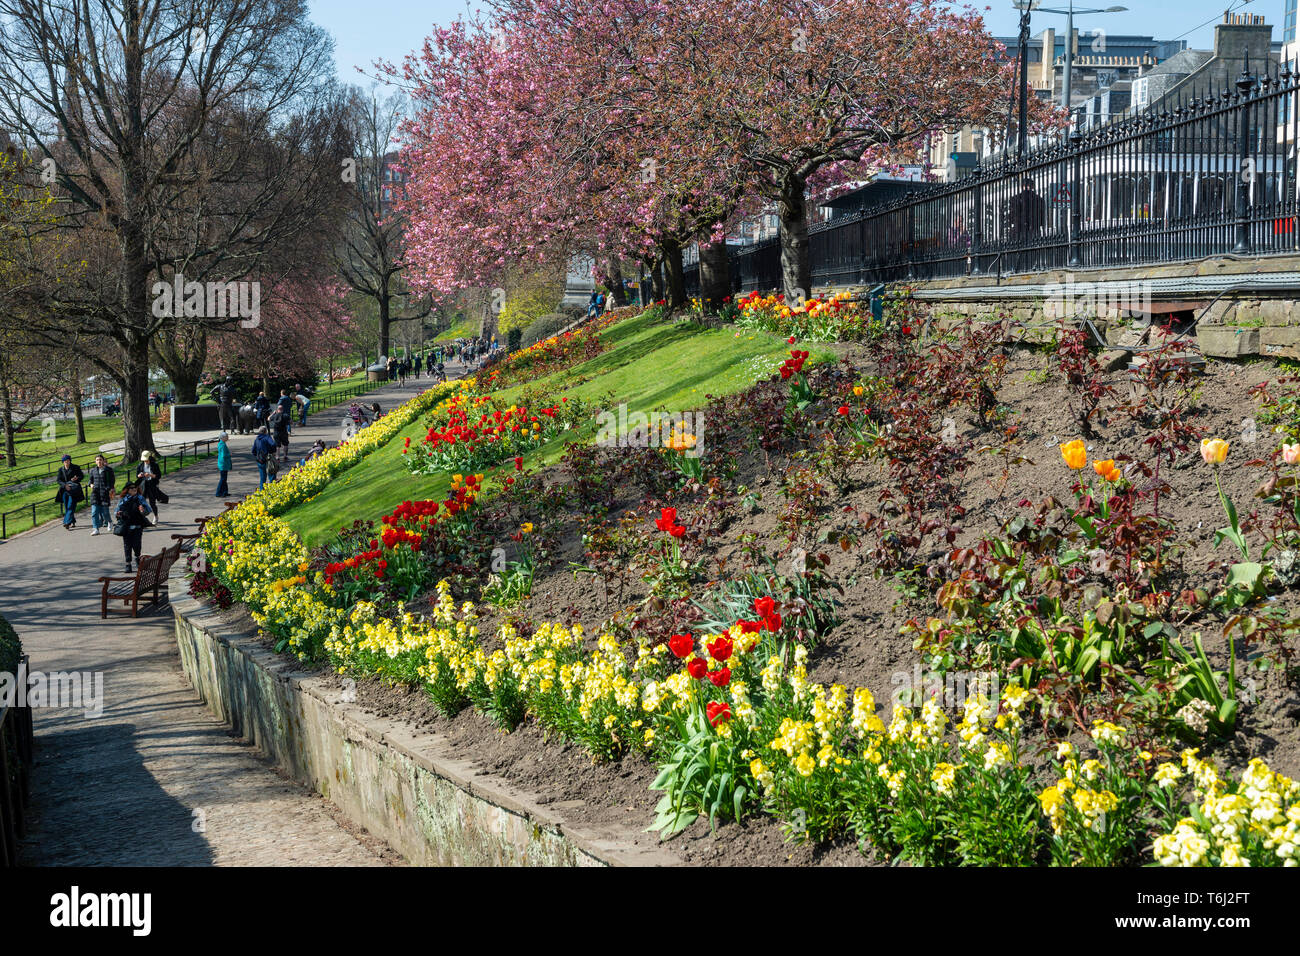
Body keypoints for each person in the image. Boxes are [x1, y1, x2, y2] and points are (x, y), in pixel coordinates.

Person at [114, 481, 152, 573]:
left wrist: (143, 510)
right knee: (127, 545)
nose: (134, 489)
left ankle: (138, 559)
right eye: (131, 488)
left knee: (137, 545)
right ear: (127, 490)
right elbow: (116, 512)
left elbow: (148, 510)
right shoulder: (123, 499)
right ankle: (128, 564)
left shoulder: (140, 498)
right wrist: (118, 514)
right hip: (126, 526)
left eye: (135, 488)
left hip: (137, 525)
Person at [1009, 178, 1045, 271]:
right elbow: (1042, 215)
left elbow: (1012, 215)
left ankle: (1018, 268)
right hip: (1034, 227)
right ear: (1033, 187)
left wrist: (1012, 225)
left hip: (1019, 228)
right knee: (1032, 248)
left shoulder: (1015, 198)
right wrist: (1040, 225)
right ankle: (1031, 266)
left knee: (1018, 250)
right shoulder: (1039, 199)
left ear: (1022, 187)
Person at [88, 453, 116, 535]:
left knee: (105, 513)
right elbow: (90, 481)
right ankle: (96, 529)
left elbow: (112, 481)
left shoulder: (108, 470)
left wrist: (109, 488)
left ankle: (110, 522)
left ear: (103, 461)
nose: (99, 461)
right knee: (94, 512)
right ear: (95, 461)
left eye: (100, 459)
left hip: (105, 494)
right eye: (97, 460)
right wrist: (91, 485)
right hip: (95, 494)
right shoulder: (93, 470)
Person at [55, 453, 84, 530]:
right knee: (67, 507)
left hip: (74, 490)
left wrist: (76, 478)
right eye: (64, 461)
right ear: (63, 462)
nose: (66, 462)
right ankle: (72, 520)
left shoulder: (76, 467)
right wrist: (65, 485)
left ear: (70, 461)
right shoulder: (61, 470)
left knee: (71, 506)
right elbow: (58, 480)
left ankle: (66, 522)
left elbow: (82, 476)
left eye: (68, 460)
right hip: (64, 490)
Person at [136, 450, 164, 520]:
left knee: (152, 502)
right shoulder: (140, 465)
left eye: (146, 460)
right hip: (143, 485)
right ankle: (142, 517)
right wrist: (140, 475)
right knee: (141, 502)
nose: (145, 461)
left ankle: (156, 516)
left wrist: (150, 475)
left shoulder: (154, 465)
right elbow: (137, 475)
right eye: (144, 460)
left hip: (152, 485)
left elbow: (159, 476)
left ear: (149, 458)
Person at [215, 432, 232, 497]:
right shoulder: (222, 445)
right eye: (227, 436)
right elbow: (223, 455)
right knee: (223, 479)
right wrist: (229, 454)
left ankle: (225, 492)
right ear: (223, 437)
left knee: (224, 479)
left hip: (223, 464)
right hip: (223, 464)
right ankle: (218, 493)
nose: (228, 438)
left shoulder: (222, 443)